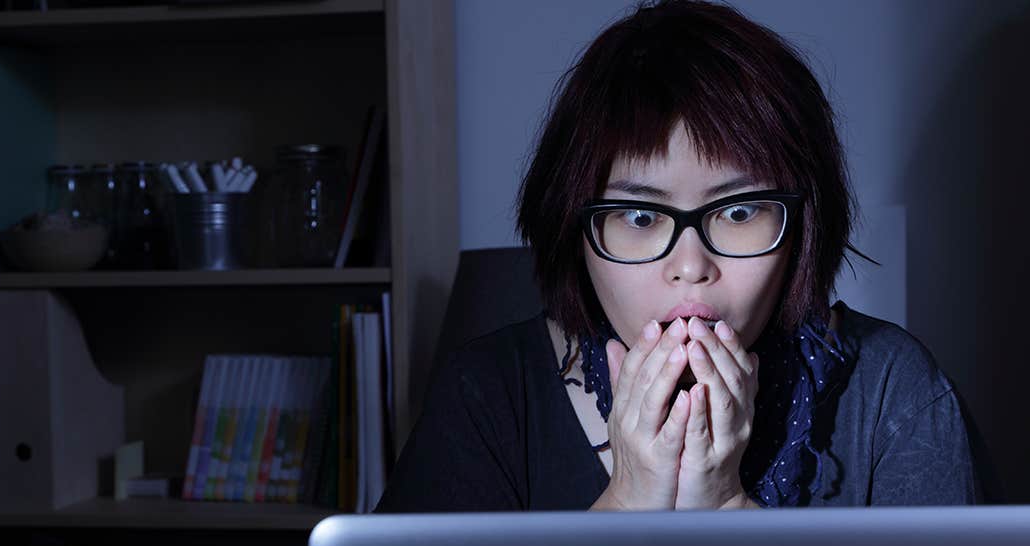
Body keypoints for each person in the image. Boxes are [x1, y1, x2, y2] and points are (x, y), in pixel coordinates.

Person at [376, 0, 981, 512]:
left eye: (739, 212)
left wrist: (722, 505)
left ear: (801, 224)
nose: (690, 265)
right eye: (640, 217)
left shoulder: (894, 391)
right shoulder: (487, 394)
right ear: (573, 229)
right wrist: (628, 501)